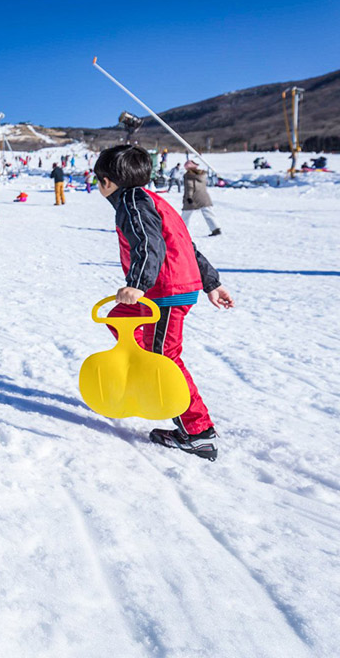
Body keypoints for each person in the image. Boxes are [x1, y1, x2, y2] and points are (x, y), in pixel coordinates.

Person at [93, 145, 234, 461]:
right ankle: (145, 373)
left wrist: (137, 284)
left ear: (106, 182)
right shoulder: (152, 200)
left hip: (165, 291)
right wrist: (212, 283)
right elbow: (185, 244)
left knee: (165, 357)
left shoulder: (132, 203)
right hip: (166, 287)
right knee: (120, 318)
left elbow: (147, 243)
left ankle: (198, 433)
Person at [182, 160, 221, 236]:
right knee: (208, 213)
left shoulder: (188, 176)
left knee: (185, 215)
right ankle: (216, 228)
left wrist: (189, 197)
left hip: (193, 198)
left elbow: (190, 187)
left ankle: (181, 229)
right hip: (204, 197)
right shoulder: (202, 175)